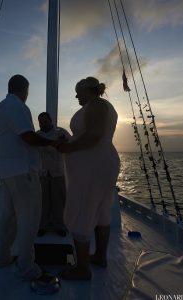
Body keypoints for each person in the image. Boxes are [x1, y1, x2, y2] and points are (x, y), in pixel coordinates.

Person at [0, 74, 59, 280]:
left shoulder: (0, 107)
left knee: (9, 216)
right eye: (28, 91)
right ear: (24, 89)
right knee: (29, 218)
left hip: (6, 171)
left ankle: (3, 258)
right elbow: (27, 136)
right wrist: (51, 143)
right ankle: (27, 267)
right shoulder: (18, 106)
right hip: (23, 172)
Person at [57, 76, 120, 280]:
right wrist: (70, 141)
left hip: (92, 165)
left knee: (82, 208)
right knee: (101, 209)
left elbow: (93, 135)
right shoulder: (101, 105)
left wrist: (67, 147)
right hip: (101, 162)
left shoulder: (97, 104)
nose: (76, 95)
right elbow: (93, 134)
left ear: (88, 90)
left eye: (78, 91)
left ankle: (82, 268)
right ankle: (100, 256)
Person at [36, 112, 71, 237]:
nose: (43, 124)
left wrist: (65, 141)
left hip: (58, 172)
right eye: (40, 122)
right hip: (43, 173)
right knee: (42, 202)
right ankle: (42, 226)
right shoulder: (37, 135)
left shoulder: (61, 132)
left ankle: (60, 226)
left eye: (45, 121)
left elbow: (70, 144)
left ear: (51, 121)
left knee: (59, 202)